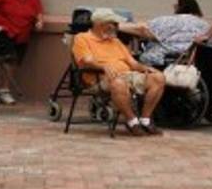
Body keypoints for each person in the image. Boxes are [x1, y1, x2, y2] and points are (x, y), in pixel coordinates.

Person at [71, 8, 166, 136]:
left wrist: (146, 68)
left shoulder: (115, 41)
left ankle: (145, 120)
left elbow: (133, 63)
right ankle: (132, 122)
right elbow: (86, 61)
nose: (117, 27)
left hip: (127, 75)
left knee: (158, 78)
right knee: (118, 83)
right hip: (100, 79)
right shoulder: (82, 38)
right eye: (113, 23)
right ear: (100, 24)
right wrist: (102, 66)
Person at [121, 0, 208, 67]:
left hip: (163, 61)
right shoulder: (205, 25)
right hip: (191, 61)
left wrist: (117, 26)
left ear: (181, 7)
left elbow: (143, 29)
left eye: (176, 5)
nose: (174, 6)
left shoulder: (173, 21)